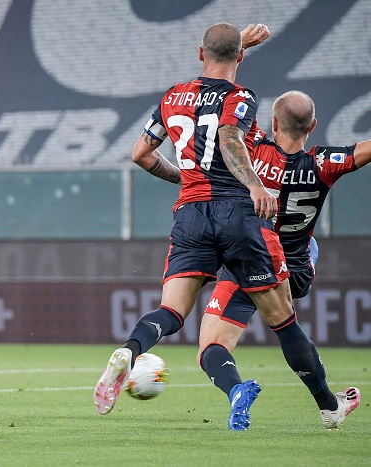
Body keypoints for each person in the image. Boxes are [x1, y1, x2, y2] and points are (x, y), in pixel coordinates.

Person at [93, 22, 358, 431]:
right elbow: (230, 133)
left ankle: (130, 350)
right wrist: (253, 186)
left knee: (172, 311)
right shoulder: (249, 104)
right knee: (284, 322)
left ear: (200, 54)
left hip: (190, 214)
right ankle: (328, 406)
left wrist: (186, 178)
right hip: (242, 222)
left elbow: (142, 154)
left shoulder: (171, 97)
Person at [197, 90, 365, 429]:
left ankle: (236, 391)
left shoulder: (253, 149)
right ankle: (329, 405)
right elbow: (364, 150)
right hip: (295, 270)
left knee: (211, 348)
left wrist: (241, 48)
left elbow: (229, 117)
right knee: (287, 324)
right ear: (313, 126)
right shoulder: (323, 162)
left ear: (273, 123)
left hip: (248, 259)